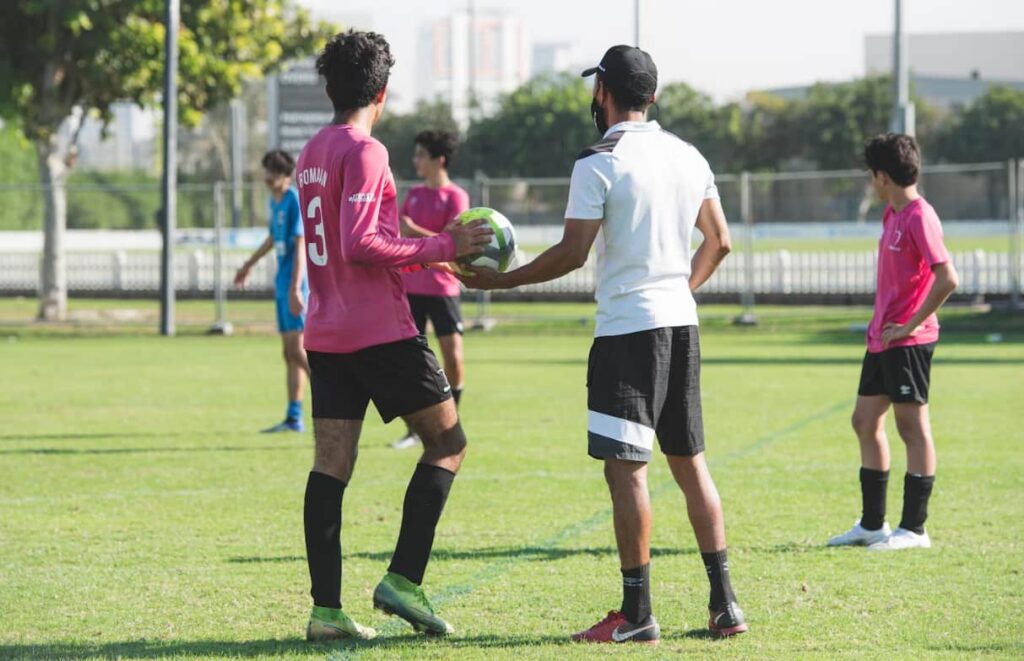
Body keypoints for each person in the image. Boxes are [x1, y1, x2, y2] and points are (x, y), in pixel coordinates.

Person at [459, 45, 747, 644]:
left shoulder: (598, 160)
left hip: (627, 334)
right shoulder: (689, 156)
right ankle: (725, 606)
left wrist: (501, 280)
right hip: (680, 327)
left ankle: (637, 614)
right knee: (691, 465)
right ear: (654, 96)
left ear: (604, 94)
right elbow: (718, 242)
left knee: (628, 473)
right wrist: (674, 291)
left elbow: (571, 252)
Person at [294, 30, 491, 641]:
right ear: (381, 92)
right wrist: (444, 247)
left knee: (332, 465)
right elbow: (363, 244)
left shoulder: (308, 153)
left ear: (330, 87)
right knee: (448, 443)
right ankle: (403, 580)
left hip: (325, 332)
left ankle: (326, 611)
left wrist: (432, 253)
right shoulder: (366, 150)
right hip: (379, 331)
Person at [828, 134, 959, 551]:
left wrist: (909, 325)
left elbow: (948, 278)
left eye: (871, 175)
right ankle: (872, 524)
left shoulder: (921, 216)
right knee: (864, 421)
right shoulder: (892, 214)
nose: (871, 182)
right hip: (882, 338)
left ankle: (914, 529)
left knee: (912, 428)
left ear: (882, 176)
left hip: (909, 340)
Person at [392, 130, 471, 450]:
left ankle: (452, 421)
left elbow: (453, 244)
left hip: (444, 287)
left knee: (452, 357)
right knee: (410, 362)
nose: (415, 161)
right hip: (411, 286)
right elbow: (402, 237)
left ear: (439, 160)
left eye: (421, 155)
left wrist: (414, 231)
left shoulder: (456, 197)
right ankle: (415, 429)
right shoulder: (413, 196)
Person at [234, 150, 310, 433]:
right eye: (267, 171)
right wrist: (248, 264)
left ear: (287, 176)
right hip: (283, 283)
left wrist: (294, 288)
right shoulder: (275, 202)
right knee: (288, 353)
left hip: (295, 284)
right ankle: (294, 417)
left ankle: (333, 397)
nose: (268, 177)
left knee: (297, 350)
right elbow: (272, 238)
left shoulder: (293, 202)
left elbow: (301, 245)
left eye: (274, 173)